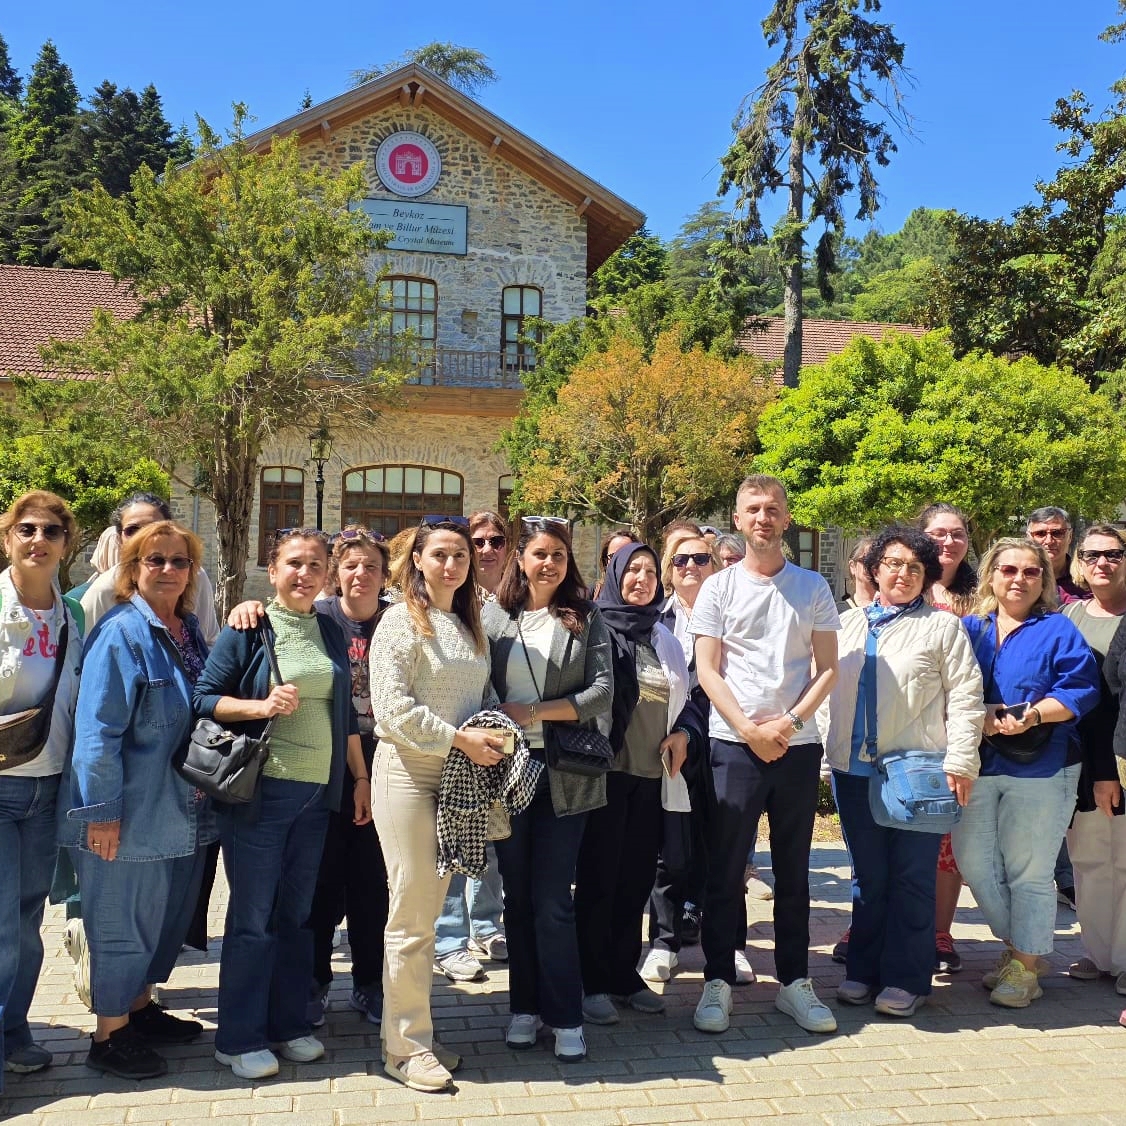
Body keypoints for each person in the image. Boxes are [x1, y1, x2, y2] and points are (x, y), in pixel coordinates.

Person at [194, 528, 367, 1080]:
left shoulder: (329, 631)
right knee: (252, 919)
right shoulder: (248, 627)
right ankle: (238, 1035)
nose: (305, 574)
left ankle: (288, 1024)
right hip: (261, 796)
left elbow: (341, 715)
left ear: (326, 575)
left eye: (315, 566)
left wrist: (358, 777)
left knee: (298, 917)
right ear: (273, 571)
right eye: (294, 564)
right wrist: (260, 705)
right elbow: (202, 698)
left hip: (317, 796)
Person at [690, 475, 840, 1036]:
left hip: (797, 747)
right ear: (737, 518)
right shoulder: (719, 588)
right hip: (734, 746)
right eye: (752, 509)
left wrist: (788, 722)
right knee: (725, 871)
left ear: (786, 517)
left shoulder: (813, 587)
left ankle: (795, 983)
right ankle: (717, 981)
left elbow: (826, 668)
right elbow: (708, 669)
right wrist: (748, 729)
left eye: (772, 509)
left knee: (794, 872)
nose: (763, 518)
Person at [63, 520, 210, 1079]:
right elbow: (97, 729)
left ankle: (139, 1009)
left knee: (161, 918)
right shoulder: (121, 632)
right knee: (121, 922)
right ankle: (109, 1037)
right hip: (128, 811)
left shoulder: (187, 629)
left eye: (179, 561)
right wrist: (100, 812)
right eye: (156, 561)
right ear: (131, 570)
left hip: (179, 807)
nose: (168, 570)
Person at [820, 527, 984, 1019]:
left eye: (915, 567)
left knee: (912, 877)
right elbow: (825, 690)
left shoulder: (941, 628)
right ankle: (863, 972)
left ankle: (907, 977)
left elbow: (966, 698)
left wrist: (961, 761)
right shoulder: (846, 625)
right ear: (873, 569)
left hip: (913, 769)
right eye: (892, 563)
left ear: (927, 574)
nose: (902, 574)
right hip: (852, 771)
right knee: (868, 877)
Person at [368, 516, 504, 1092]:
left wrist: (496, 731)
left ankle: (415, 1035)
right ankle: (404, 1048)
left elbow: (482, 693)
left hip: (458, 779)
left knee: (426, 910)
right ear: (417, 561)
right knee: (412, 915)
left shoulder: (467, 626)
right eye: (440, 555)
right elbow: (391, 710)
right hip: (407, 775)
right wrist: (461, 739)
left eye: (461, 556)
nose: (452, 564)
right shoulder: (399, 622)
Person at [481, 516, 613, 1062]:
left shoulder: (584, 617)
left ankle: (565, 1017)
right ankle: (523, 1008)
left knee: (554, 900)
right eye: (539, 553)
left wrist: (536, 710)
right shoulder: (494, 616)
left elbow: (603, 691)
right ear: (520, 558)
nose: (549, 562)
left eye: (559, 553)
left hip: (563, 771)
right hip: (506, 766)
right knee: (517, 896)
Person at [954, 537, 1099, 1007]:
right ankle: (1020, 947)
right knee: (975, 864)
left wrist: (1034, 714)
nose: (1018, 579)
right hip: (980, 761)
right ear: (991, 576)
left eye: (1030, 572)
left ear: (1045, 580)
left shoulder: (1058, 630)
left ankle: (1026, 966)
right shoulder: (970, 629)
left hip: (1044, 764)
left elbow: (1080, 688)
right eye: (1009, 570)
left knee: (1029, 871)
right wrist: (986, 712)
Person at [574, 541, 705, 1026]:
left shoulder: (664, 636)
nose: (642, 580)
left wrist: (685, 732)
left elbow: (690, 697)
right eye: (633, 571)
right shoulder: (593, 627)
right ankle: (591, 981)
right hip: (605, 776)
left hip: (652, 778)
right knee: (598, 881)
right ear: (612, 575)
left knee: (634, 883)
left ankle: (623, 975)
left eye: (650, 572)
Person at [642, 536, 759, 984]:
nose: (691, 565)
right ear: (669, 570)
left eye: (700, 558)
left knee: (725, 845)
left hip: (724, 741)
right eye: (680, 559)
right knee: (667, 848)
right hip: (669, 744)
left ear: (715, 564)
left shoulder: (735, 615)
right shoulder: (656, 619)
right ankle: (664, 941)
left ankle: (729, 944)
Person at [0, 492, 83, 1085]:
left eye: (51, 530)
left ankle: (14, 1029)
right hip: (1, 787)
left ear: (65, 543)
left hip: (48, 784)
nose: (39, 539)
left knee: (28, 919)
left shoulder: (71, 614)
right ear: (8, 539)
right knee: (3, 920)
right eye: (26, 528)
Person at [434, 510, 509, 984]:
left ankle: (487, 924)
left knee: (490, 839)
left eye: (495, 541)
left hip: (496, 733)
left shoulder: (515, 598)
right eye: (475, 542)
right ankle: (449, 939)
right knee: (451, 841)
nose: (486, 550)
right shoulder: (449, 600)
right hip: (446, 740)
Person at [1064, 526, 1126, 989]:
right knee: (1087, 859)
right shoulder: (1068, 616)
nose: (1102, 563)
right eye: (1092, 555)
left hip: (1119, 757)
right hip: (1079, 761)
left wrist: (1111, 770)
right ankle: (1098, 954)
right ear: (1079, 562)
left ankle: (1124, 960)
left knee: (1123, 858)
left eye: (1114, 554)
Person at [919, 502, 979, 974]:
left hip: (962, 730)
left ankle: (940, 931)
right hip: (909, 728)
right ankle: (872, 922)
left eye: (957, 533)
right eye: (939, 532)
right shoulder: (907, 585)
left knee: (947, 841)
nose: (948, 541)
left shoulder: (982, 595)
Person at [80, 492, 220, 644]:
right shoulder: (104, 591)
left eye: (155, 529)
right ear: (119, 539)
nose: (145, 537)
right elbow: (87, 652)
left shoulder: (192, 576)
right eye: (133, 530)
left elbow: (209, 640)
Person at [1026, 506, 1089, 606]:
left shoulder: (1088, 578)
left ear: (1070, 536)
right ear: (1029, 538)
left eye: (1057, 533)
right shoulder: (1018, 578)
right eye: (1040, 534)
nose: (1049, 541)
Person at [592, 529, 639, 599]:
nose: (621, 560)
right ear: (606, 562)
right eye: (614, 556)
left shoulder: (647, 595)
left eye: (627, 554)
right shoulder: (591, 595)